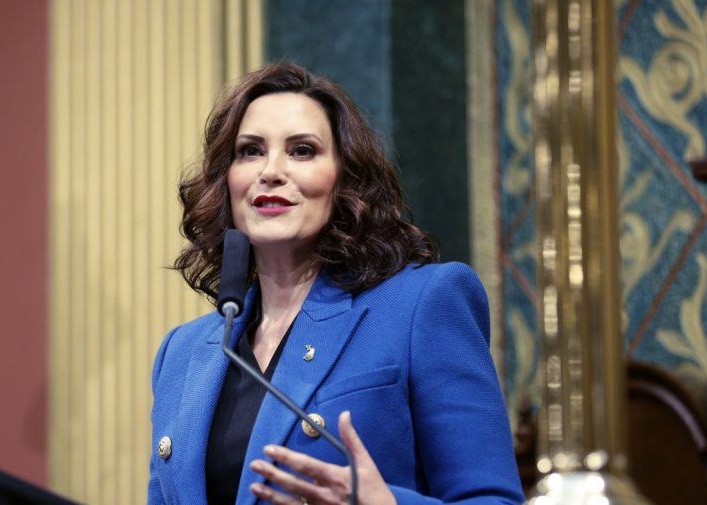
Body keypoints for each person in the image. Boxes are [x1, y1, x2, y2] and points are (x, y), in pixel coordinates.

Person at [148, 62, 524, 505]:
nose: (271, 170)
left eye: (302, 150)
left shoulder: (423, 304)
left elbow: (492, 499)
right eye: (250, 151)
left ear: (345, 178)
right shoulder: (182, 354)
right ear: (226, 179)